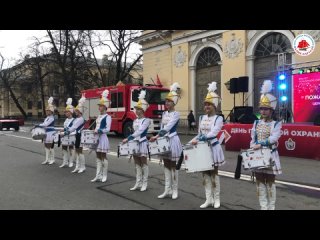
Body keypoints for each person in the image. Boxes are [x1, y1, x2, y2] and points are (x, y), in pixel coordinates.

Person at [190, 82, 225, 208]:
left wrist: (203, 137)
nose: (206, 107)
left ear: (214, 105)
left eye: (209, 104)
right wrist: (190, 142)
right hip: (202, 148)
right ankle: (208, 199)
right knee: (205, 174)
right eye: (205, 104)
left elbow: (214, 132)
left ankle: (217, 199)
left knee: (214, 173)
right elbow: (199, 134)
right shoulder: (201, 118)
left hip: (213, 148)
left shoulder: (219, 118)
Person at [250, 80, 282, 210]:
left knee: (270, 182)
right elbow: (252, 138)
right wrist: (252, 146)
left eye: (266, 109)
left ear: (271, 110)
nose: (263, 111)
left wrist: (261, 144)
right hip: (258, 155)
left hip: (270, 155)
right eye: (261, 108)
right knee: (259, 181)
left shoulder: (276, 123)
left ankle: (271, 207)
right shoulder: (256, 123)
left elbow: (274, 138)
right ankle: (263, 206)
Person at [150, 82, 183, 200]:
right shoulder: (164, 113)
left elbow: (169, 127)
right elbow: (162, 127)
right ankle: (166, 189)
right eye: (166, 101)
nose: (167, 103)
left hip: (172, 140)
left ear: (174, 102)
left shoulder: (176, 114)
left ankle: (175, 190)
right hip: (163, 141)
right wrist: (158, 136)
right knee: (166, 165)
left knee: (173, 166)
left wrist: (157, 136)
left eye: (169, 101)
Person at [122, 90, 151, 191]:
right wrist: (130, 140)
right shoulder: (135, 120)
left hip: (142, 143)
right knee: (137, 164)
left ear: (143, 110)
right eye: (136, 109)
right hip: (135, 144)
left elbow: (140, 131)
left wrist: (129, 138)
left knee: (144, 163)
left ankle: (145, 183)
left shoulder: (146, 120)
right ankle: (138, 182)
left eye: (138, 109)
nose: (136, 111)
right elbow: (134, 131)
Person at [91, 90, 112, 183]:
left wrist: (98, 130)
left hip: (103, 138)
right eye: (99, 106)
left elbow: (108, 129)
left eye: (101, 106)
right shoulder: (98, 117)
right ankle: (98, 175)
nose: (99, 107)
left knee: (103, 157)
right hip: (97, 138)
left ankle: (104, 175)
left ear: (105, 107)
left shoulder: (108, 117)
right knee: (98, 157)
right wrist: (94, 130)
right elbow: (96, 127)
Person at [64, 95, 86, 173]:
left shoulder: (81, 119)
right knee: (77, 151)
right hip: (77, 135)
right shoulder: (77, 119)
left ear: (80, 111)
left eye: (76, 111)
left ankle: (82, 166)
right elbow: (73, 127)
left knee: (80, 151)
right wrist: (67, 130)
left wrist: (67, 132)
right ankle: (77, 166)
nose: (75, 112)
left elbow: (74, 127)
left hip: (80, 136)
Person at [37, 97, 56, 165]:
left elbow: (46, 124)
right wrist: (39, 125)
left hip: (50, 132)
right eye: (46, 110)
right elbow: (44, 124)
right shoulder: (47, 118)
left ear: (51, 111)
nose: (47, 111)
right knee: (46, 146)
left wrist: (39, 125)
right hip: (46, 132)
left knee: (50, 146)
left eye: (48, 111)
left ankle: (52, 159)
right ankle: (47, 159)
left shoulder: (52, 118)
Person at [59, 98, 75, 168]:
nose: (65, 113)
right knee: (64, 148)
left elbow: (71, 128)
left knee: (71, 148)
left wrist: (64, 129)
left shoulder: (74, 120)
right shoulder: (65, 120)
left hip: (71, 136)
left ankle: (71, 162)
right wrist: (62, 130)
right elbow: (65, 127)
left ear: (71, 112)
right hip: (64, 136)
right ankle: (65, 162)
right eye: (65, 112)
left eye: (67, 112)